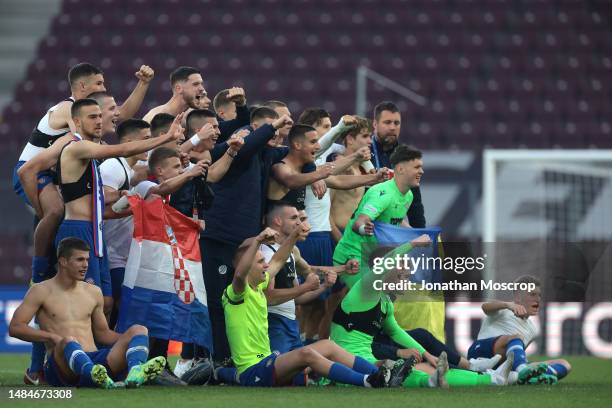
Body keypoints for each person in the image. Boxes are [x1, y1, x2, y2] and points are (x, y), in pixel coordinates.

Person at [216, 227, 409, 388]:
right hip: (254, 370)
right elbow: (240, 274)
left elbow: (278, 260)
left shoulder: (259, 285)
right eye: (260, 262)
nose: (266, 265)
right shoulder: (236, 293)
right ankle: (368, 381)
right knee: (306, 354)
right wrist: (258, 241)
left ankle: (384, 375)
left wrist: (293, 236)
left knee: (328, 345)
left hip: (268, 364)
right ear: (247, 265)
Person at [53, 99, 181, 318]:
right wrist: (165, 138)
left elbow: (99, 207)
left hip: (96, 231)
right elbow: (121, 149)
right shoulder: (77, 147)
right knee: (81, 302)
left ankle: (101, 351)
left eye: (99, 116)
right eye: (91, 117)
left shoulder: (91, 154)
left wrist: (132, 208)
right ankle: (59, 351)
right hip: (78, 229)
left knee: (106, 303)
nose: (98, 121)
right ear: (76, 121)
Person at [329, 237, 514, 388]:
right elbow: (384, 263)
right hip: (348, 363)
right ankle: (489, 377)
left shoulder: (385, 302)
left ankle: (491, 378)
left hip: (368, 359)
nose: (408, 276)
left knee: (427, 370)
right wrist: (412, 244)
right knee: (411, 371)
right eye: (403, 271)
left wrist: (426, 354)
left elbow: (395, 332)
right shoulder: (366, 289)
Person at [8, 237, 166, 388]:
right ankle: (92, 374)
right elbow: (15, 327)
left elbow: (103, 334)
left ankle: (135, 372)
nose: (86, 265)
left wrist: (132, 341)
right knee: (67, 341)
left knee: (139, 330)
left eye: (87, 260)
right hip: (62, 368)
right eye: (80, 260)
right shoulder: (40, 290)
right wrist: (51, 337)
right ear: (63, 261)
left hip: (97, 360)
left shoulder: (93, 292)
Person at [200, 108, 293, 363]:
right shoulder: (233, 148)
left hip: (244, 240)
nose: (271, 132)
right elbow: (247, 143)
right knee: (216, 301)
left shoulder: (265, 153)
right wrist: (272, 127)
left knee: (241, 298)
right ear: (251, 128)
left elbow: (301, 152)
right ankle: (213, 358)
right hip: (219, 236)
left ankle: (235, 356)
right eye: (265, 127)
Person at [263, 202, 359, 354]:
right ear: (278, 221)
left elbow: (309, 272)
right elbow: (268, 298)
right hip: (273, 322)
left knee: (301, 372)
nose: (300, 224)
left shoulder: (293, 251)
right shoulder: (266, 253)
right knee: (281, 372)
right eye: (295, 218)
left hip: (290, 323)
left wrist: (340, 272)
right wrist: (305, 286)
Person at [333, 145, 424, 289]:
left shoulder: (409, 195)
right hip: (353, 257)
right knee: (370, 302)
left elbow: (395, 221)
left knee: (386, 302)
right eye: (417, 167)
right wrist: (365, 228)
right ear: (400, 169)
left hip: (374, 258)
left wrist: (416, 234)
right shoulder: (383, 194)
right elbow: (359, 224)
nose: (421, 171)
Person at [99, 119, 153, 329]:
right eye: (146, 139)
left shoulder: (129, 170)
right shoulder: (113, 166)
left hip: (122, 254)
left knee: (121, 307)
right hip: (110, 253)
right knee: (111, 306)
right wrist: (135, 209)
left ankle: (113, 354)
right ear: (129, 141)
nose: (150, 144)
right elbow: (99, 208)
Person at [468, 275, 571, 385]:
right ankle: (523, 371)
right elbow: (485, 307)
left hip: (502, 363)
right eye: (532, 294)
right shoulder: (504, 310)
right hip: (480, 352)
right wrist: (507, 305)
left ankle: (529, 377)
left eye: (539, 295)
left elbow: (515, 354)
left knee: (564, 364)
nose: (537, 299)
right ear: (518, 297)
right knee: (517, 338)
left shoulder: (532, 329)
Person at [369, 101, 425, 228]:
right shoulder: (363, 152)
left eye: (396, 123)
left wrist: (421, 233)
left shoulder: (407, 157)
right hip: (362, 228)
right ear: (375, 124)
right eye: (387, 122)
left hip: (389, 232)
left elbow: (415, 205)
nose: (393, 127)